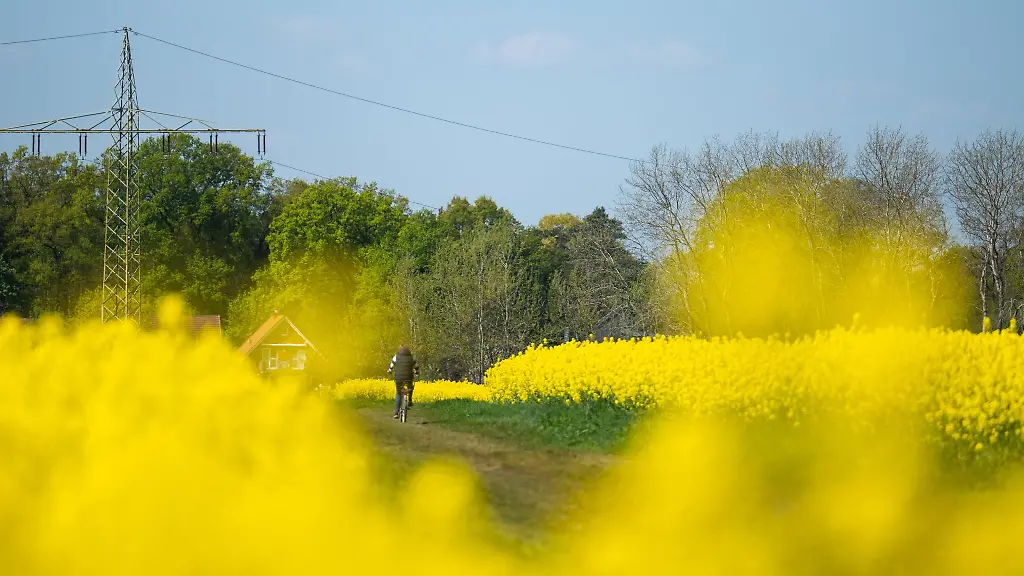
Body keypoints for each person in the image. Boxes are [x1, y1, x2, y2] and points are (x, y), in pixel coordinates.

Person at [387, 345, 419, 419]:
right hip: (408, 377)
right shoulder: (411, 357)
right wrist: (417, 372)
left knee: (398, 393)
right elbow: (416, 366)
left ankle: (396, 413)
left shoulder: (396, 356)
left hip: (398, 378)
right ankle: (410, 400)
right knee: (410, 387)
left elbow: (391, 366)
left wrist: (390, 371)